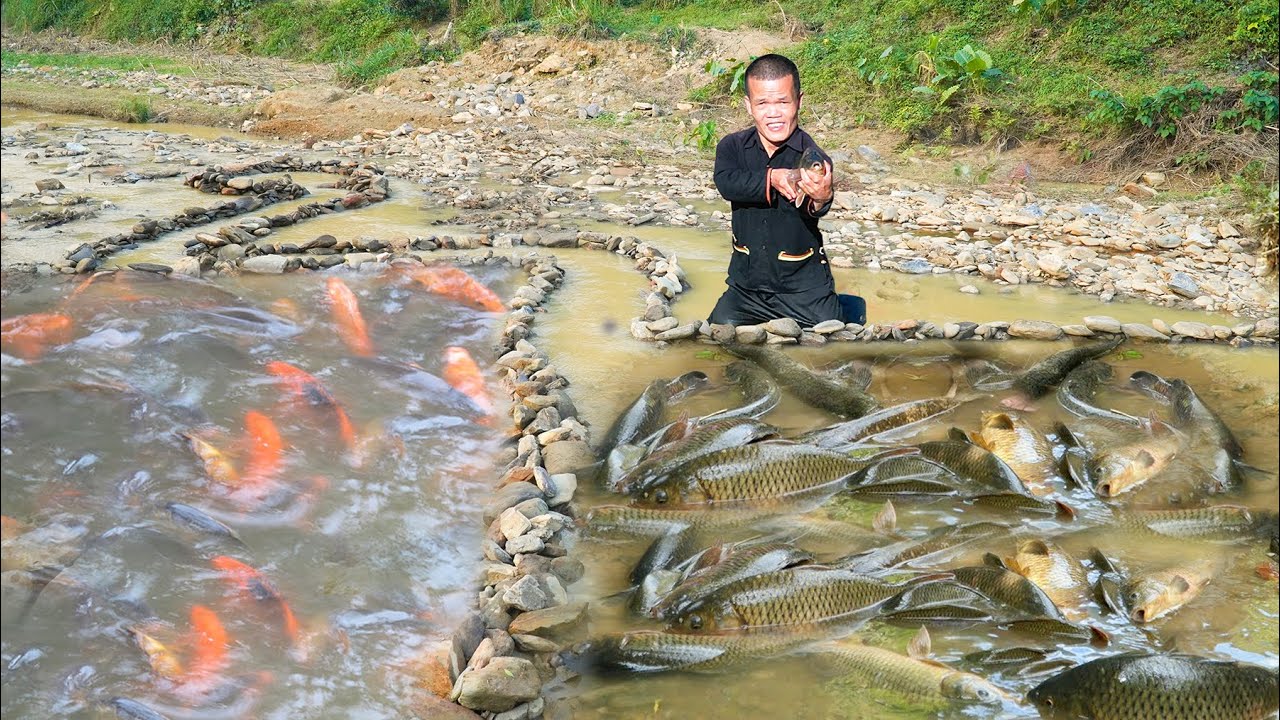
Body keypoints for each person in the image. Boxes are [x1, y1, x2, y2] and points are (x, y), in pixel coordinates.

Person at [707, 53, 866, 329]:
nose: (773, 113)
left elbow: (814, 208)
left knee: (833, 341)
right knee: (715, 337)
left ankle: (848, 306)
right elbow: (727, 182)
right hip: (746, 288)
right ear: (749, 106)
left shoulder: (813, 158)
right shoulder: (731, 147)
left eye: (783, 102)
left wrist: (822, 197)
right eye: (763, 103)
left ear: (799, 101)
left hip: (802, 288)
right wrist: (772, 178)